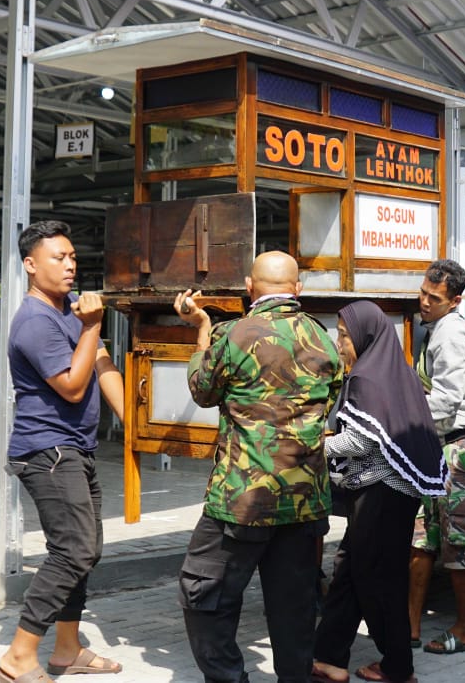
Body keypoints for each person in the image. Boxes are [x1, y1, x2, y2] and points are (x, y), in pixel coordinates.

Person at [173, 251, 344, 683]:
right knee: (295, 607)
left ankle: (230, 677)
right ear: (298, 290)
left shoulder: (234, 335)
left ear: (250, 288)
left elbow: (202, 390)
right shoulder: (324, 339)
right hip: (305, 501)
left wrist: (202, 331)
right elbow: (330, 399)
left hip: (242, 499)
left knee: (205, 593)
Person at [0, 220, 126, 683]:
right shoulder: (33, 321)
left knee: (85, 550)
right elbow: (72, 386)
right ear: (31, 266)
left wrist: (133, 421)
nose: (70, 265)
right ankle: (18, 654)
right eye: (59, 258)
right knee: (72, 550)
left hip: (76, 448)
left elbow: (102, 362)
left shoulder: (70, 311)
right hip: (47, 452)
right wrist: (90, 324)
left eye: (73, 257)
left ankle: (68, 649)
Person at [311, 301, 444, 683]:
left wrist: (316, 446)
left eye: (343, 335)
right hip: (392, 495)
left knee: (378, 580)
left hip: (380, 497)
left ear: (365, 335)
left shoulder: (367, 377)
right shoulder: (394, 371)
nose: (339, 343)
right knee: (349, 573)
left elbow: (360, 440)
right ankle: (329, 658)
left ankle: (399, 667)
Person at [407, 259, 465, 655]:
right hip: (440, 448)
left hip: (461, 449)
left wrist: (401, 419)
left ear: (455, 300)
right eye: (423, 293)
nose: (425, 302)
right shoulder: (435, 328)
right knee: (420, 538)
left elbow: (444, 404)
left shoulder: (450, 334)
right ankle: (407, 627)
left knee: (459, 545)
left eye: (434, 297)